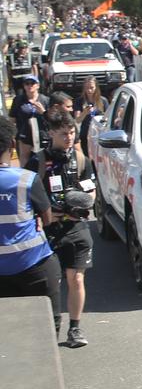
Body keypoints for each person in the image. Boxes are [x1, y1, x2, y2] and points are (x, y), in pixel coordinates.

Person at [24, 112, 94, 348]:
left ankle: (75, 328)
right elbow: (27, 195)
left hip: (76, 228)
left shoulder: (81, 158)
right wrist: (47, 214)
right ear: (51, 133)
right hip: (48, 230)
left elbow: (91, 191)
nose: (69, 137)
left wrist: (85, 202)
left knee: (76, 279)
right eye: (64, 133)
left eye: (72, 133)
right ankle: (47, 330)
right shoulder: (37, 161)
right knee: (51, 282)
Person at [0, 116, 62, 332]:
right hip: (34, 265)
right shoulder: (26, 179)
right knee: (46, 328)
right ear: (11, 145)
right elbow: (46, 218)